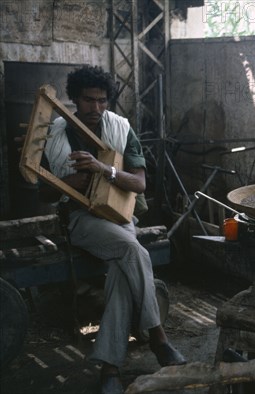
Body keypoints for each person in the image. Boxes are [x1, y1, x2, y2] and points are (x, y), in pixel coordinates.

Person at [39, 65, 186, 394]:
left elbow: (140, 183)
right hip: (80, 220)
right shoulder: (56, 133)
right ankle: (158, 337)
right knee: (134, 250)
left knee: (122, 272)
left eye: (103, 101)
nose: (96, 108)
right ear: (74, 98)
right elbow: (45, 193)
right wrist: (76, 181)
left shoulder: (121, 128)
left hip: (120, 217)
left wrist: (104, 169)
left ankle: (109, 367)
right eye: (89, 100)